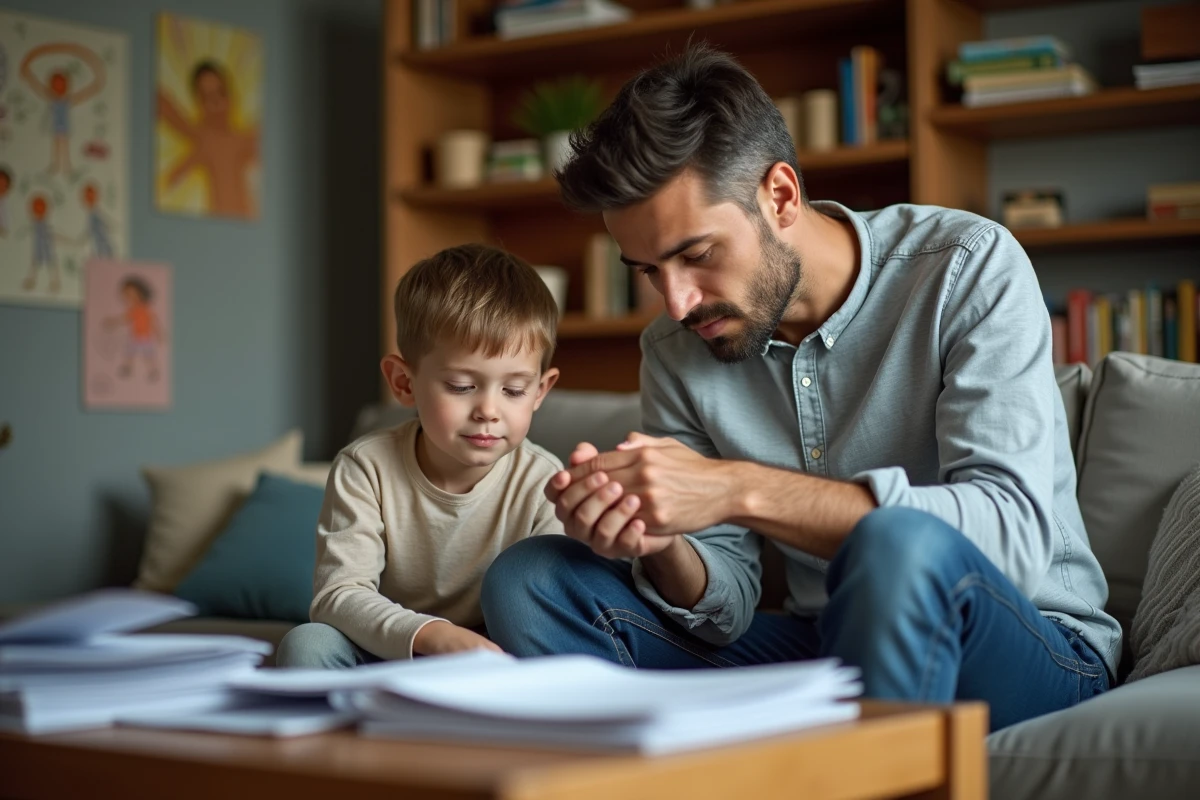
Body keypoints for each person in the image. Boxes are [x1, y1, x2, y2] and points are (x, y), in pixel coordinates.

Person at [480, 45, 1119, 732]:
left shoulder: (966, 267)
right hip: (831, 644)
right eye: (648, 271)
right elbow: (725, 606)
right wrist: (658, 539)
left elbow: (1013, 537)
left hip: (1034, 644)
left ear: (780, 196)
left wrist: (734, 487)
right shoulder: (674, 350)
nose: (676, 302)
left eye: (696, 255)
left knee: (895, 543)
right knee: (533, 582)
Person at [277, 244, 565, 668]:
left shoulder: (545, 481)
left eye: (514, 390)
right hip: (393, 646)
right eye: (462, 386)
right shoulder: (366, 468)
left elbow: (551, 605)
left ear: (540, 390)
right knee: (308, 645)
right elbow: (338, 595)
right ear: (403, 382)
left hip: (497, 655)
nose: (489, 410)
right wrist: (434, 636)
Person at [157, 60, 259, 218]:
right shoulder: (207, 142)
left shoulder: (243, 138)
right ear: (199, 105)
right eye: (208, 98)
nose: (217, 103)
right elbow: (175, 174)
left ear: (232, 95)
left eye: (222, 93)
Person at [19, 43, 106, 175]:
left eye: (62, 85)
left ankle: (66, 165)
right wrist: (28, 75)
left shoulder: (68, 100)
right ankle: (55, 164)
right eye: (56, 85)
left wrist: (95, 87)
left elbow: (83, 95)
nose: (59, 88)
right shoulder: (50, 97)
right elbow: (36, 86)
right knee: (56, 143)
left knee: (64, 143)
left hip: (63, 123)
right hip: (55, 123)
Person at [105, 277, 162, 381]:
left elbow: (153, 322)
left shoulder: (146, 309)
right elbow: (124, 318)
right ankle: (127, 368)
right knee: (129, 352)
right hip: (135, 336)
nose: (129, 298)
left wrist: (158, 334)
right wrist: (112, 322)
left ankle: (153, 370)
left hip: (145, 337)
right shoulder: (133, 310)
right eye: (127, 295)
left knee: (148, 355)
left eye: (131, 295)